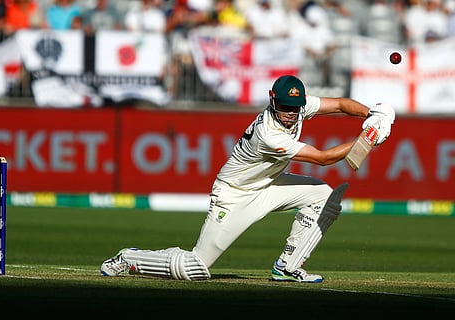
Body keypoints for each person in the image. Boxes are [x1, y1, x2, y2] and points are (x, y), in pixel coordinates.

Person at [100, 75, 395, 282]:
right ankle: (131, 258)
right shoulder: (269, 133)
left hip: (270, 184)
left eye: (295, 108)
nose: (291, 114)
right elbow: (323, 158)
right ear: (272, 100)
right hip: (235, 194)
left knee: (325, 196)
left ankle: (288, 267)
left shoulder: (299, 107)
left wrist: (372, 113)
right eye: (285, 108)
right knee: (196, 268)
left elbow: (342, 105)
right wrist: (369, 136)